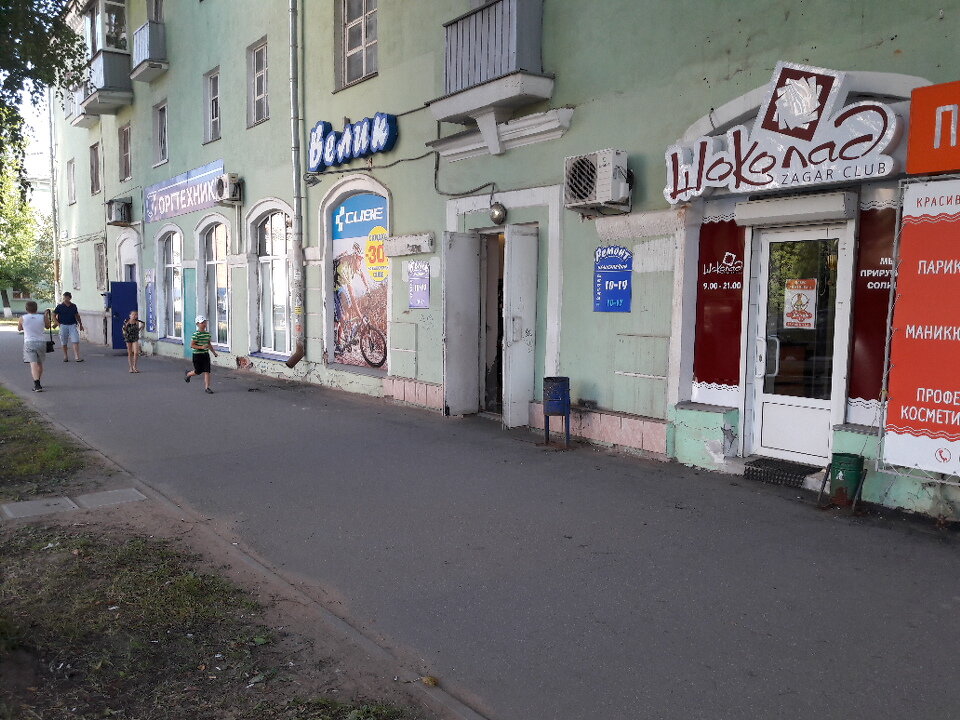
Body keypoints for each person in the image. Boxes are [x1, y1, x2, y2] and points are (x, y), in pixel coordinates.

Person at [334, 242, 370, 352]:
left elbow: (362, 274)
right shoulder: (345, 269)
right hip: (333, 288)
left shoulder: (353, 264)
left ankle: (347, 334)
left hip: (341, 286)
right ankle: (338, 344)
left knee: (348, 309)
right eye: (360, 260)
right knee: (343, 317)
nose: (361, 263)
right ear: (354, 258)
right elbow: (353, 297)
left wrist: (367, 287)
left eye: (362, 260)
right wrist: (360, 317)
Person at [18, 301, 52, 392]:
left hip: (29, 342)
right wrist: (46, 317)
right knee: (40, 364)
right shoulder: (42, 317)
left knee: (33, 364)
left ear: (26, 309)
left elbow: (19, 329)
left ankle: (37, 384)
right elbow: (48, 326)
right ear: (36, 308)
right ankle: (38, 381)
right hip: (41, 342)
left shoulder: (22, 318)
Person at [184, 315, 218, 393]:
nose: (204, 324)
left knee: (207, 371)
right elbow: (192, 345)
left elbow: (209, 344)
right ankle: (188, 374)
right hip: (197, 355)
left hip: (205, 355)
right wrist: (201, 347)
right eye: (202, 323)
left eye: (205, 322)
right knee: (198, 371)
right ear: (197, 324)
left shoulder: (207, 334)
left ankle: (207, 388)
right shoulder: (196, 334)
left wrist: (214, 352)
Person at [53, 291, 84, 362]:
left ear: (70, 298)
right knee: (64, 342)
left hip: (72, 325)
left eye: (67, 298)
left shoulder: (73, 306)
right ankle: (65, 356)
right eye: (64, 298)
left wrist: (81, 324)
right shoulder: (60, 306)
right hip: (63, 325)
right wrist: (58, 324)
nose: (65, 300)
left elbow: (77, 315)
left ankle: (77, 357)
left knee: (75, 340)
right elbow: (53, 315)